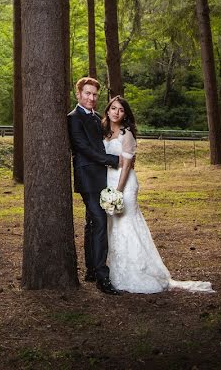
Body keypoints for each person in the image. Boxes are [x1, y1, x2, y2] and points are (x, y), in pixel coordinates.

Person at [102, 95, 214, 294]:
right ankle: (116, 270)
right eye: (113, 108)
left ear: (125, 113)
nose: (116, 112)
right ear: (108, 110)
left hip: (124, 184)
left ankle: (137, 271)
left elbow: (127, 166)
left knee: (126, 224)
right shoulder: (104, 132)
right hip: (109, 181)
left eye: (120, 109)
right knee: (113, 228)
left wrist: (118, 191)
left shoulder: (126, 134)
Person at [67, 77, 122, 295]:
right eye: (87, 93)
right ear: (78, 94)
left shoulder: (99, 118)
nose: (91, 98)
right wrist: (111, 160)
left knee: (92, 223)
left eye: (95, 94)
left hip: (103, 178)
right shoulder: (73, 118)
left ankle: (91, 269)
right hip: (87, 178)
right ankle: (102, 276)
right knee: (99, 221)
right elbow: (81, 147)